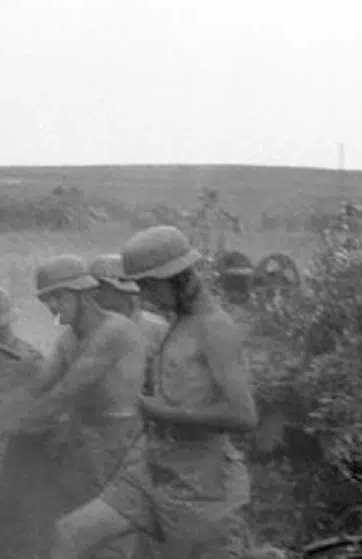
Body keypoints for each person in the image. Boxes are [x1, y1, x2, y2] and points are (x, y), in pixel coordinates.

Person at [50, 226, 259, 559]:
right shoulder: (177, 323)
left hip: (203, 488)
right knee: (70, 534)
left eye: (148, 285)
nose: (144, 296)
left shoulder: (215, 329)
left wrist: (161, 412)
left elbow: (243, 415)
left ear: (176, 277)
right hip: (153, 470)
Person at [0, 255, 148, 559]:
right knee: (59, 516)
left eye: (58, 297)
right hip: (83, 437)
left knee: (97, 529)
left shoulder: (115, 332)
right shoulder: (70, 337)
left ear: (84, 294)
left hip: (118, 441)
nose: (53, 308)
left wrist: (3, 427)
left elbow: (63, 393)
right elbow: (38, 386)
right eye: (47, 301)